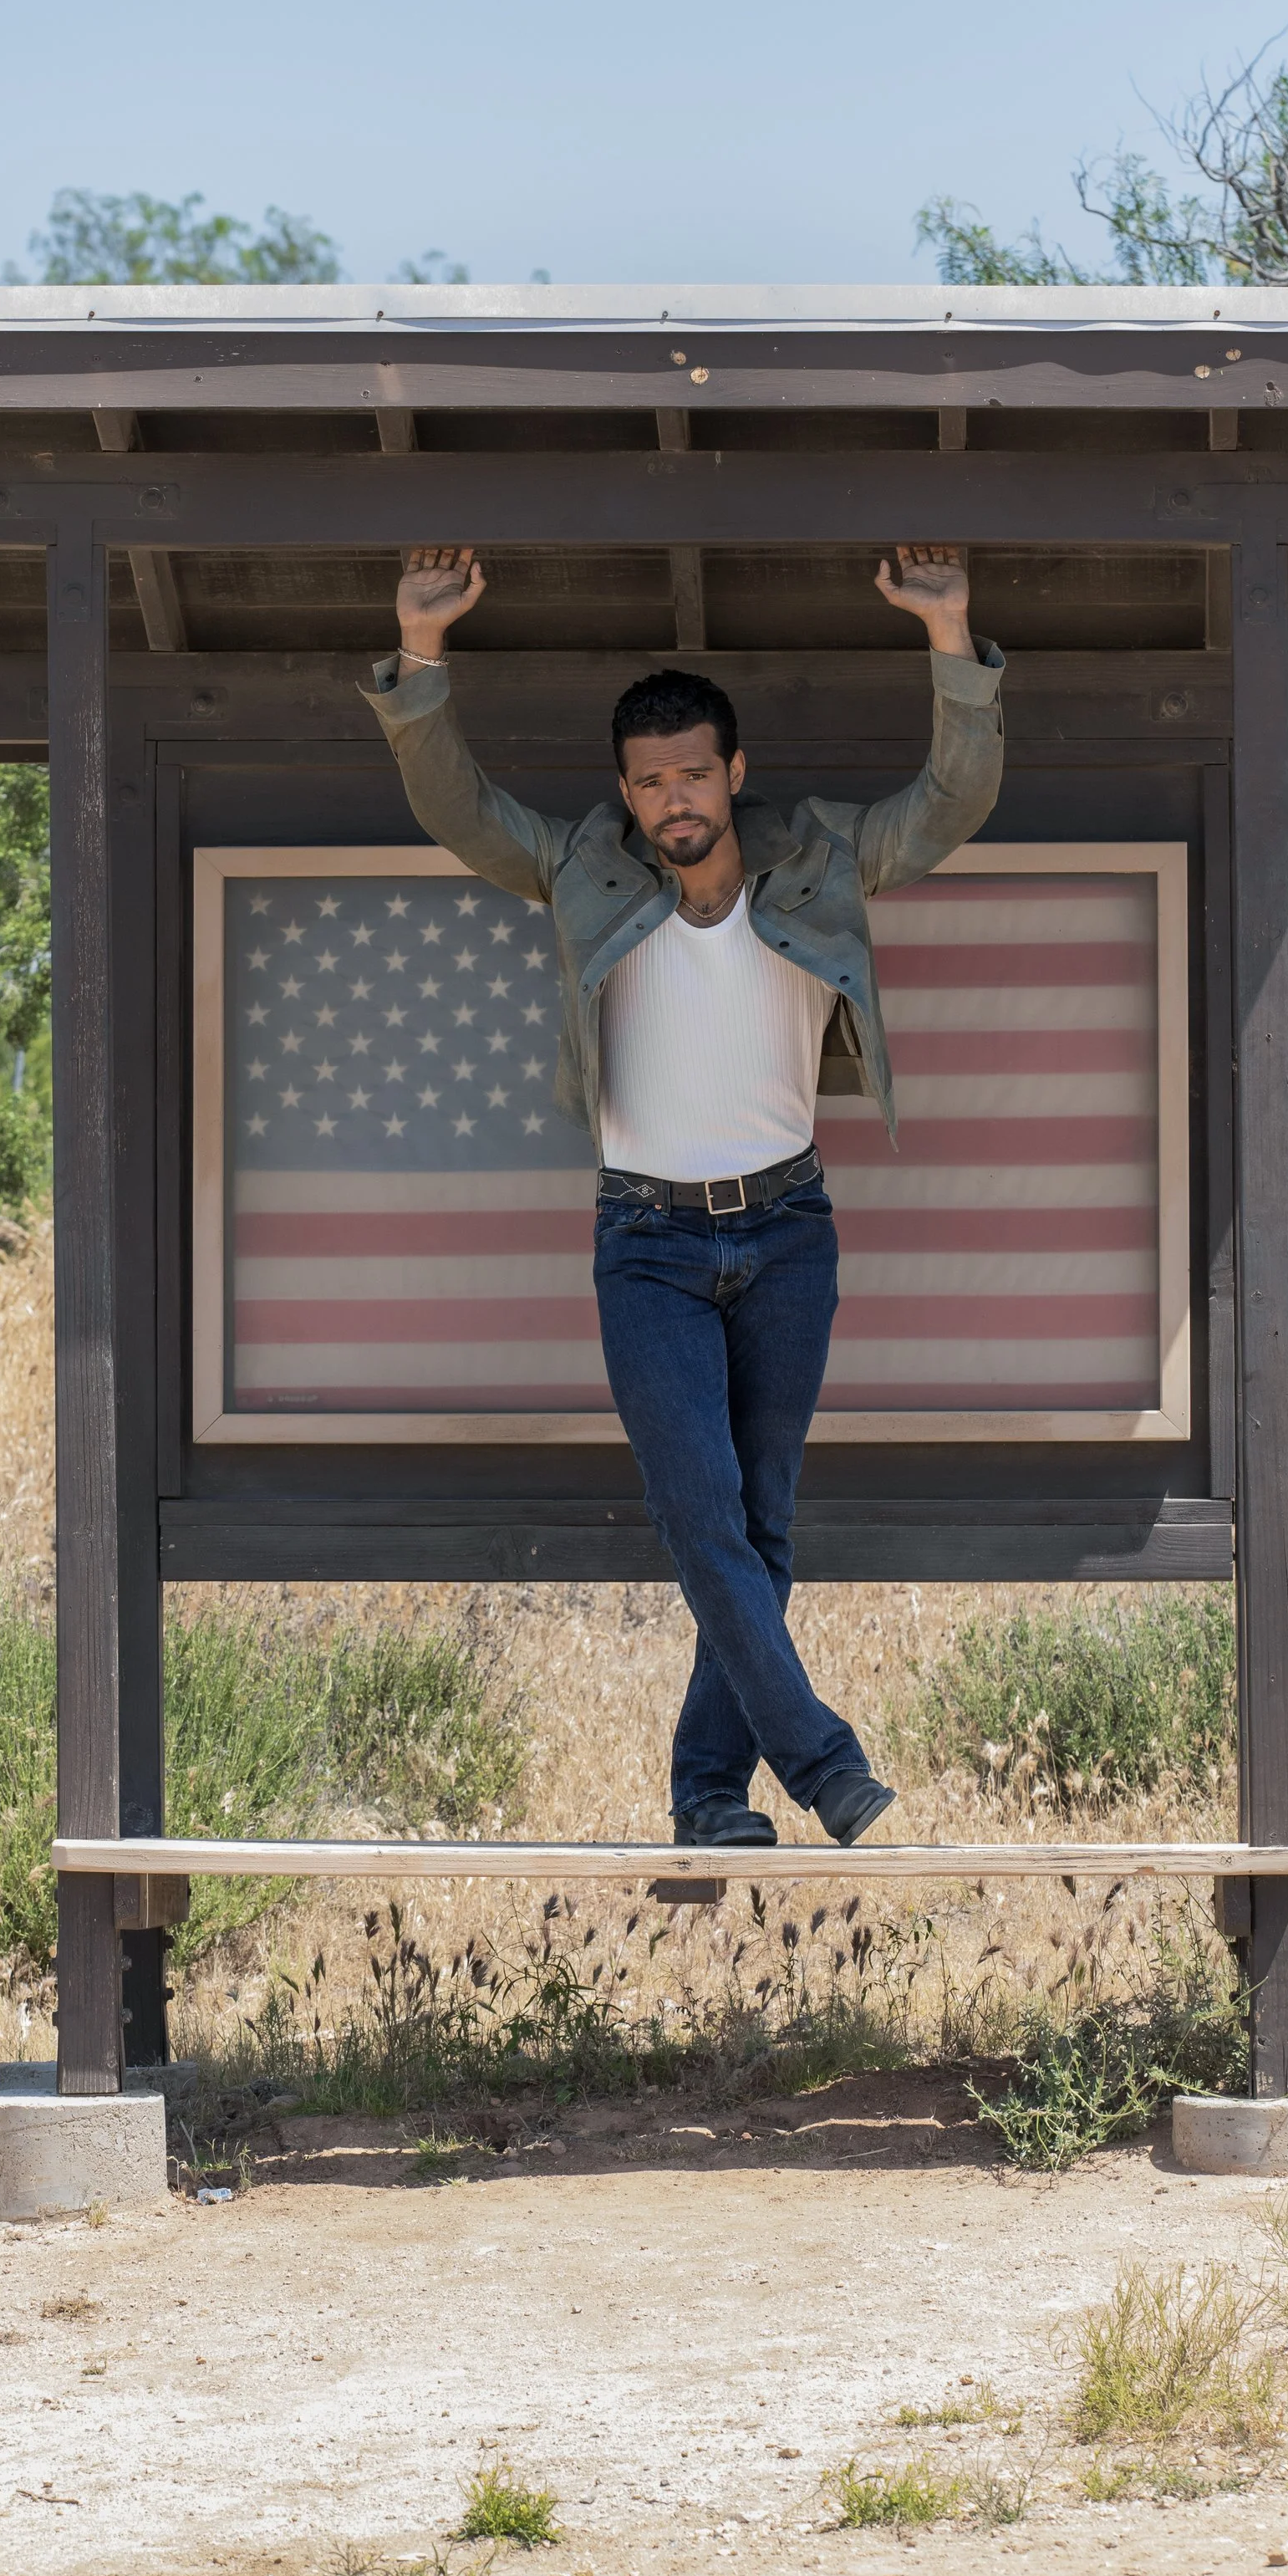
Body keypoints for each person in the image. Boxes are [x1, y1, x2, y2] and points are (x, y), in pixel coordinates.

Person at [360, 544, 1006, 1849]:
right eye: (649, 781)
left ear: (733, 774)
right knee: (703, 1517)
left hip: (788, 1233)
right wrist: (420, 658)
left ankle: (710, 1795)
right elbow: (460, 808)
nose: (673, 800)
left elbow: (948, 804)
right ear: (626, 792)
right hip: (646, 1242)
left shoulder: (820, 858)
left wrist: (950, 633)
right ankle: (823, 1763)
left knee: (763, 1531)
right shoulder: (579, 867)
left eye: (693, 773)